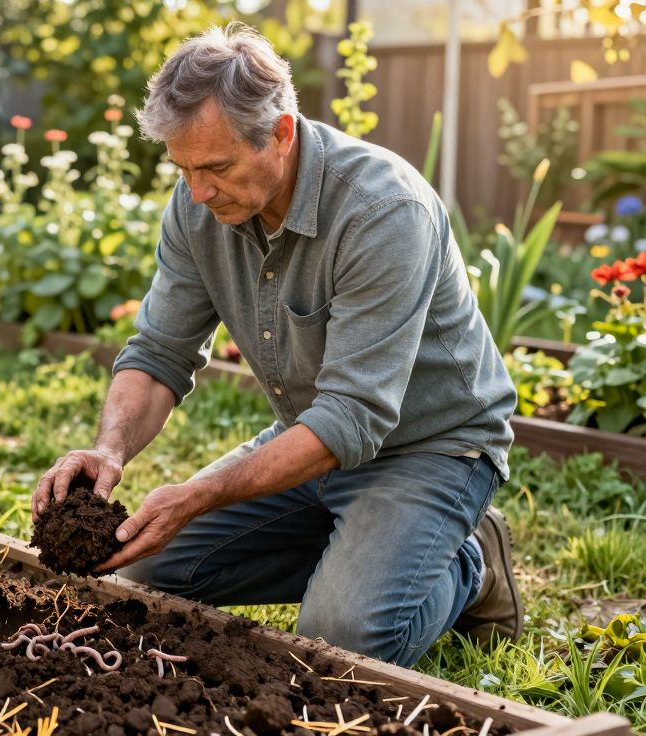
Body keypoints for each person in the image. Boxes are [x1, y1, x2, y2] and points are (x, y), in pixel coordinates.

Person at [31, 22, 522, 668]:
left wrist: (202, 494)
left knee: (340, 640)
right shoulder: (197, 206)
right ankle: (370, 549)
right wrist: (109, 448)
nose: (198, 192)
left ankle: (470, 561)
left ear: (282, 132)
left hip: (430, 449)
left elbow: (353, 417)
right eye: (184, 168)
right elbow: (159, 353)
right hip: (310, 443)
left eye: (217, 167)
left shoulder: (382, 211)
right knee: (142, 571)